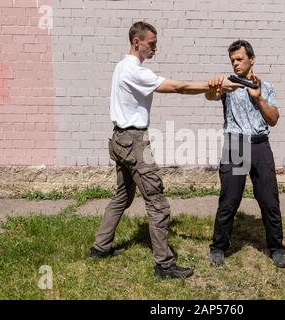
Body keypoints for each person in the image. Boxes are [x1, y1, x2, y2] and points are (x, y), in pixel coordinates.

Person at [90, 21, 243, 279]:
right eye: (152, 44)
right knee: (158, 205)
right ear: (137, 42)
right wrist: (211, 85)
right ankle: (164, 264)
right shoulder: (134, 70)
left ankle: (100, 247)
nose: (155, 49)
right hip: (135, 143)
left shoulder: (121, 66)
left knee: (123, 197)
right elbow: (178, 88)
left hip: (119, 140)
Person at [205, 40, 285, 268]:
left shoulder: (266, 87)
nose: (235, 63)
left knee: (269, 200)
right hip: (236, 145)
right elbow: (210, 96)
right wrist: (212, 88)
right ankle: (218, 247)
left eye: (239, 59)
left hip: (260, 145)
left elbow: (274, 119)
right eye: (232, 60)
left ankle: (277, 248)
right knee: (229, 200)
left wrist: (258, 98)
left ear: (252, 59)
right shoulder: (228, 84)